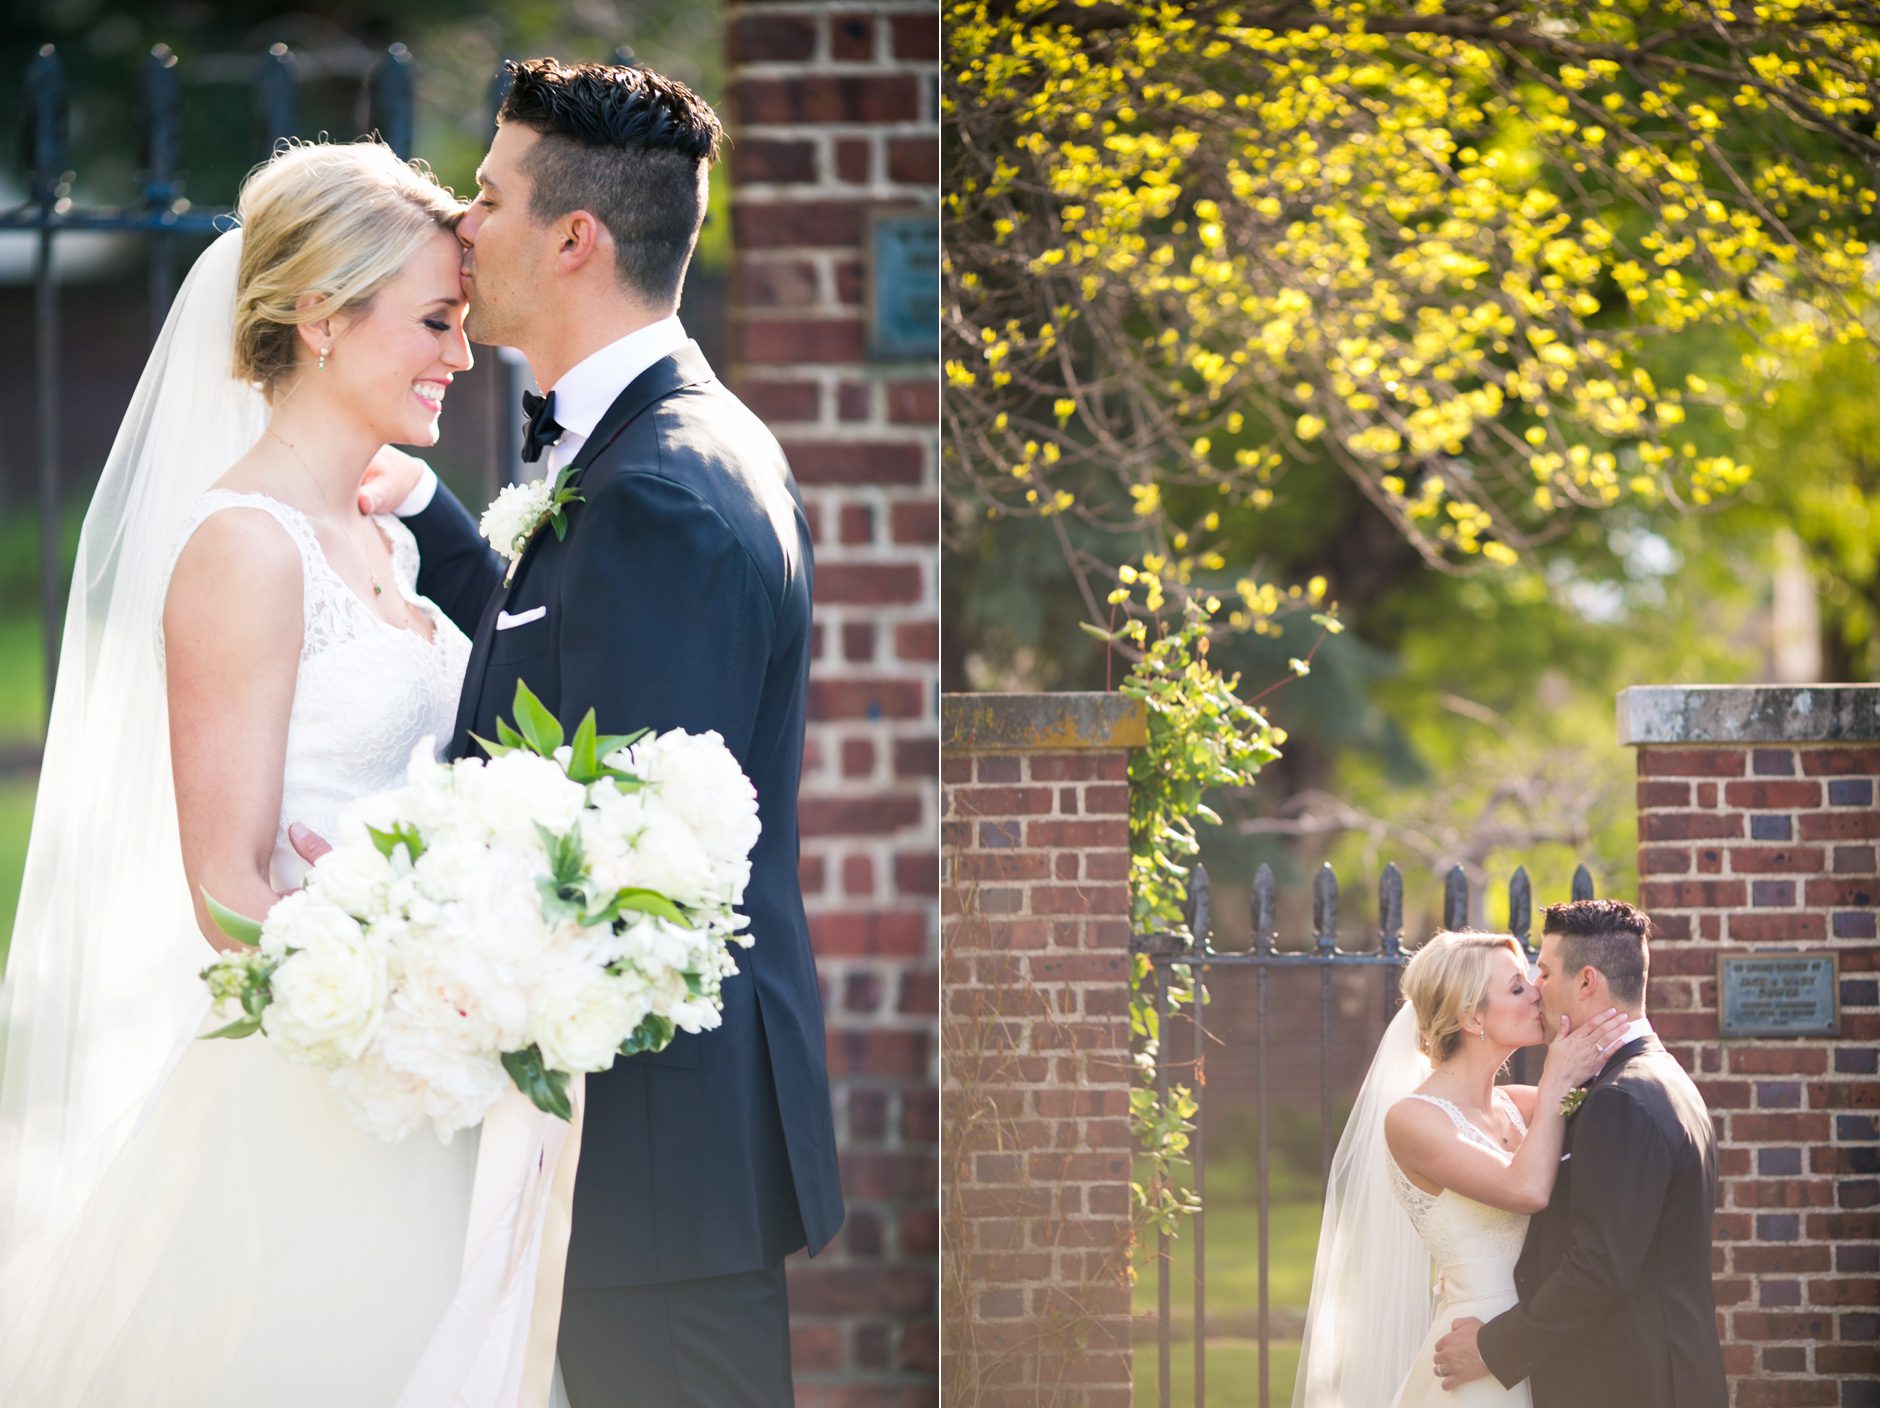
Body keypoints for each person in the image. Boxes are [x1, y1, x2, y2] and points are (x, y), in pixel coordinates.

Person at [0, 140, 574, 1407]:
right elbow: (221, 887)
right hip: (317, 1098)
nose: (462, 356)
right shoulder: (243, 551)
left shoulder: (383, 541)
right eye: (434, 320)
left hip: (440, 1088)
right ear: (321, 316)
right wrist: (413, 994)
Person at [344, 59, 846, 1405]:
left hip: (651, 1162)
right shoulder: (642, 451)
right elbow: (563, 660)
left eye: (489, 199)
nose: (462, 226)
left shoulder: (661, 493)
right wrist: (429, 520)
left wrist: (360, 921)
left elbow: (619, 851)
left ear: (576, 239)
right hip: (635, 1160)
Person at [1292, 929, 1627, 1407]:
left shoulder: (1518, 1105)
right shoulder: (1413, 1119)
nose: (1536, 992)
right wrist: (1557, 1076)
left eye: (1531, 979)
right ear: (1472, 1017)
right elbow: (1529, 1190)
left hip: (1534, 1338)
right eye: (1516, 988)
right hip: (1473, 1350)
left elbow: (1618, 1109)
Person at [1433, 900, 1728, 1408]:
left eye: (1544, 971)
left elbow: (1600, 1267)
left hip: (1632, 1384)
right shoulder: (1655, 1077)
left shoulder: (1621, 1099)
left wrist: (1492, 1348)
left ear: (1587, 981)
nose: (1535, 987)